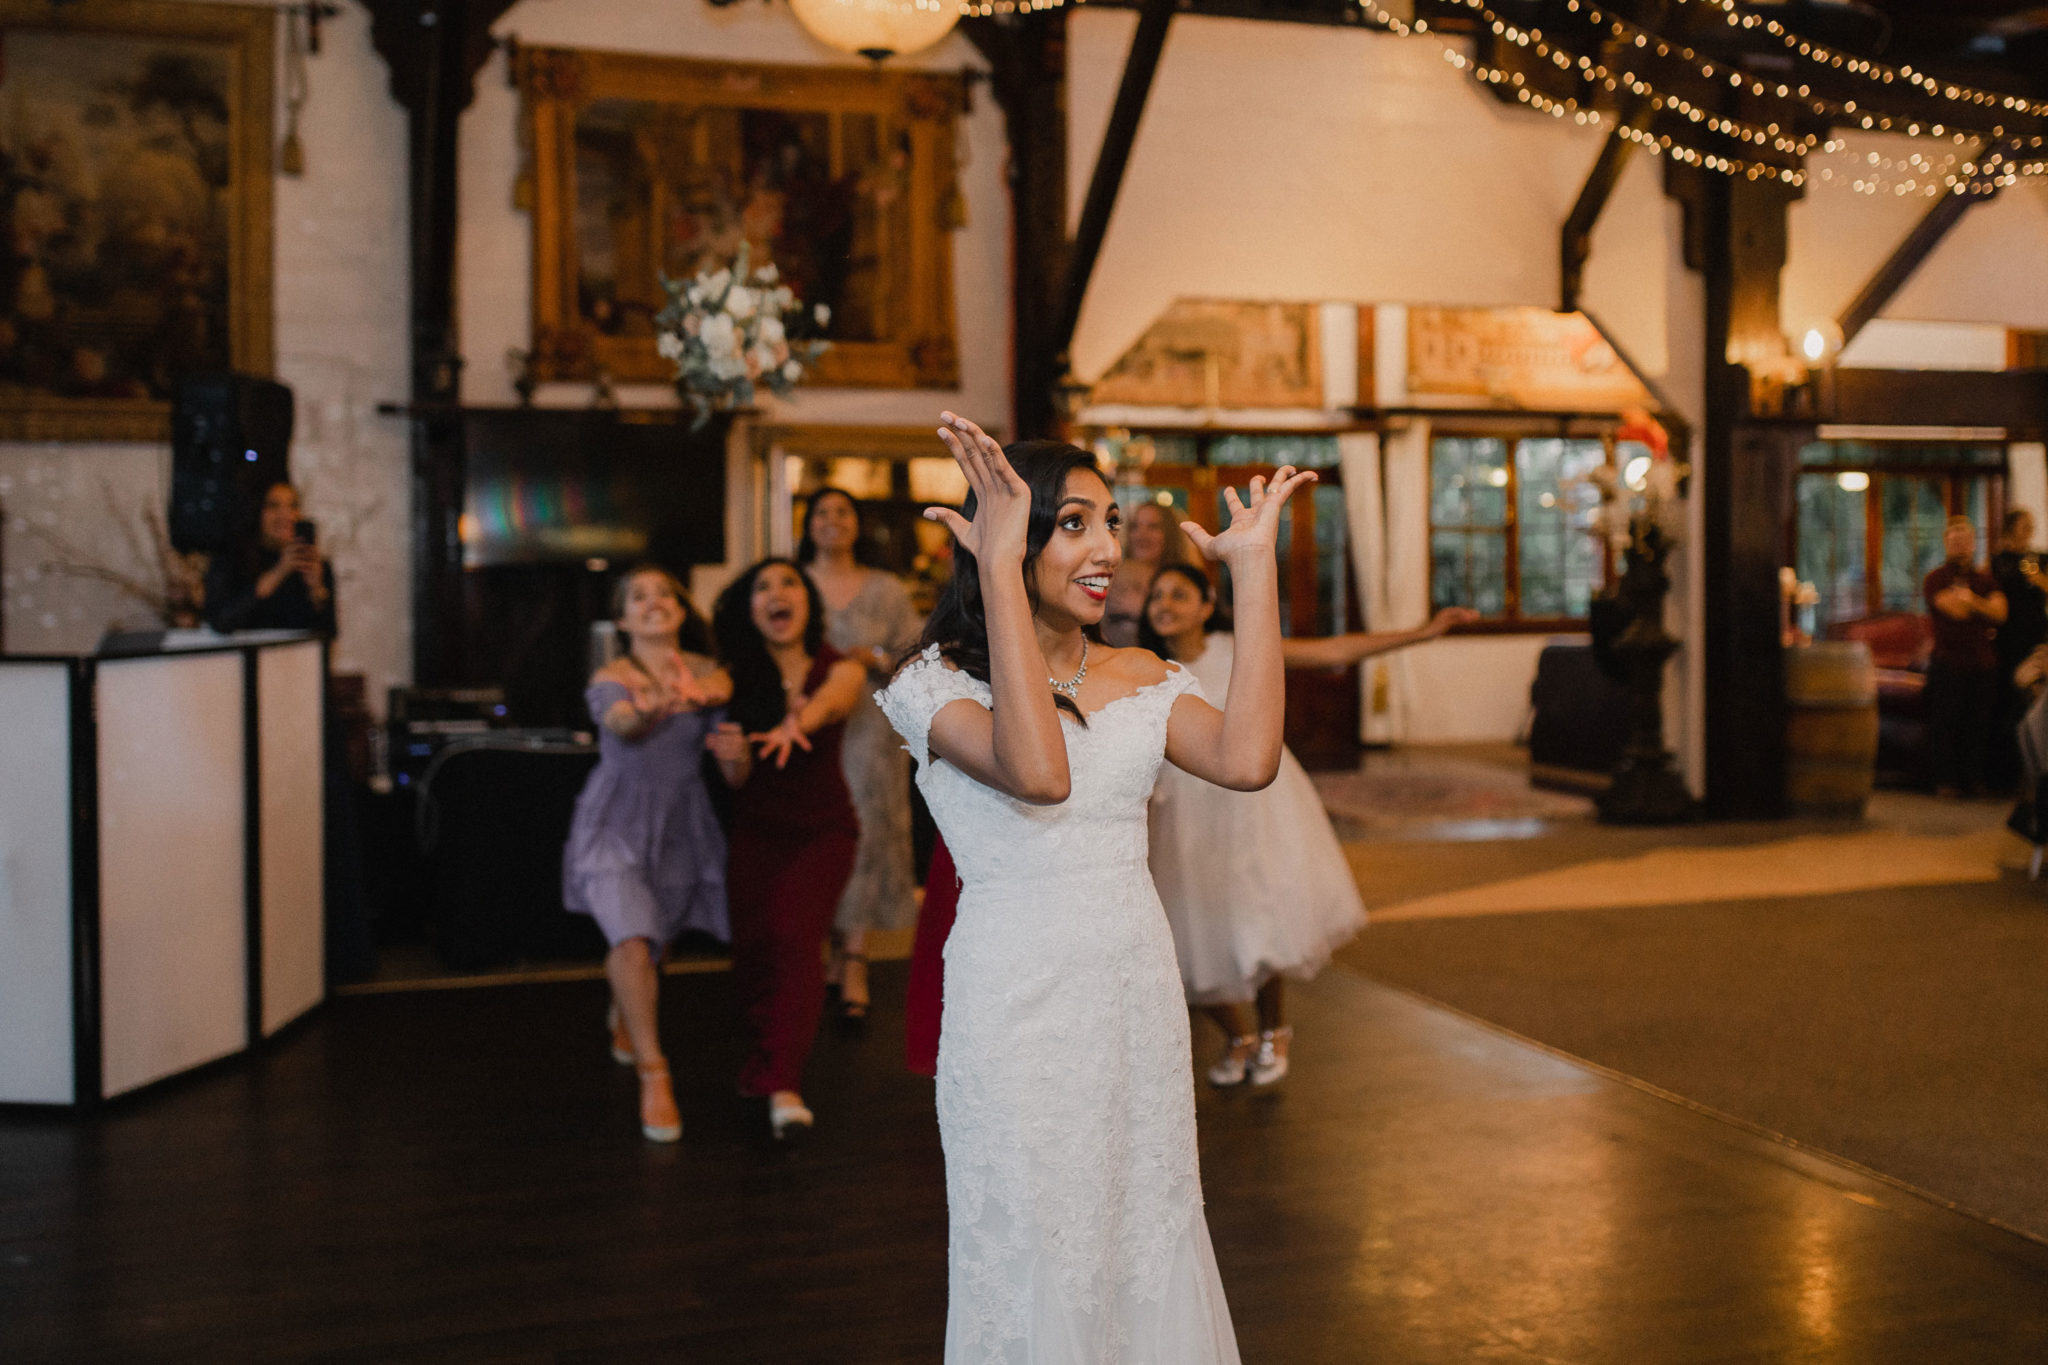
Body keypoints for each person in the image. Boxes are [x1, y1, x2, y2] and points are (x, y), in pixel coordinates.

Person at [877, 412, 1311, 1362]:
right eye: (1074, 523)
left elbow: (1248, 759)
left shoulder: (1142, 672)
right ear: (1012, 538)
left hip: (1130, 992)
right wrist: (993, 572)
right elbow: (1039, 773)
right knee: (1037, 1244)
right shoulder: (928, 682)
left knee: (1142, 1226)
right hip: (1013, 1002)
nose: (1107, 548)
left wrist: (1254, 571)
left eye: (1110, 521)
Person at [1139, 563, 1475, 1085]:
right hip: (1183, 811)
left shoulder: (1240, 647)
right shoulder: (1146, 668)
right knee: (1187, 930)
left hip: (1253, 807)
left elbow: (1334, 650)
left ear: (1208, 605)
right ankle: (1237, 1035)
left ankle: (1274, 1031)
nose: (1164, 604)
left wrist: (1423, 632)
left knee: (1260, 918)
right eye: (1157, 595)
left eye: (1179, 594)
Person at [561, 566, 734, 1143]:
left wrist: (730, 742)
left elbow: (731, 758)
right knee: (632, 940)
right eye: (640, 597)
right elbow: (621, 723)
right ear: (623, 619)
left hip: (681, 823)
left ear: (682, 610)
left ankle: (623, 1012)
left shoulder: (712, 674)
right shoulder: (613, 675)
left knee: (654, 944)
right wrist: (652, 706)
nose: (655, 602)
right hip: (615, 821)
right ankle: (655, 1074)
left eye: (665, 593)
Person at [711, 558, 867, 1139]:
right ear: (750, 609)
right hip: (756, 830)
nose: (777, 594)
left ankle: (784, 1084)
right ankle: (765, 1058)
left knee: (793, 939)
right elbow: (738, 776)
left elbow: (838, 698)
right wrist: (732, 757)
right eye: (763, 587)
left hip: (823, 830)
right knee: (754, 950)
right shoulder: (738, 675)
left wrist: (803, 717)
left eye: (789, 584)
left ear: (808, 604)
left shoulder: (838, 668)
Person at [797, 487, 923, 1023]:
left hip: (870, 729)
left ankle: (854, 958)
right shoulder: (794, 581)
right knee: (814, 834)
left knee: (865, 836)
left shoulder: (887, 588)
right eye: (822, 512)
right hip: (809, 725)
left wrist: (870, 655)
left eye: (842, 512)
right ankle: (818, 951)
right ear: (809, 524)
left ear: (857, 524)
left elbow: (914, 655)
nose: (832, 521)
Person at [1924, 515, 2007, 798]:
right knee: (1946, 723)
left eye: (1965, 541)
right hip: (1949, 662)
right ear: (1947, 543)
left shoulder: (1985, 579)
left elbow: (2000, 613)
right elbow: (1954, 612)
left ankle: (1974, 780)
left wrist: (1970, 600)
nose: (1960, 546)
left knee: (1979, 725)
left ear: (1973, 544)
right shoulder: (1936, 579)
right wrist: (1979, 606)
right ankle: (1946, 782)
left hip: (1984, 662)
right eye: (1954, 541)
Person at [203, 482, 336, 636]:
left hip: (300, 658)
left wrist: (317, 590)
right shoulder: (232, 559)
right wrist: (278, 573)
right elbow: (221, 622)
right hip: (246, 658)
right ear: (257, 511)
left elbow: (328, 636)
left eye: (293, 506)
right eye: (273, 506)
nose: (285, 515)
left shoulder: (312, 564)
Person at [1990, 509, 2048, 791]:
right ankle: (2004, 775)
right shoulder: (1999, 561)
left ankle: (2032, 776)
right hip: (2009, 640)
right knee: (2008, 704)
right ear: (2012, 528)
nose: (2030, 530)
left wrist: (2041, 582)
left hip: (2036, 638)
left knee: (2034, 703)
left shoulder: (2039, 560)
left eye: (2032, 525)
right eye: (2025, 525)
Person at [1100, 498, 1190, 647]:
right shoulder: (1111, 576)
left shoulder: (1187, 580)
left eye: (1153, 527)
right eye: (1135, 527)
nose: (1141, 534)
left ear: (1170, 533)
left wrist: (1145, 610)